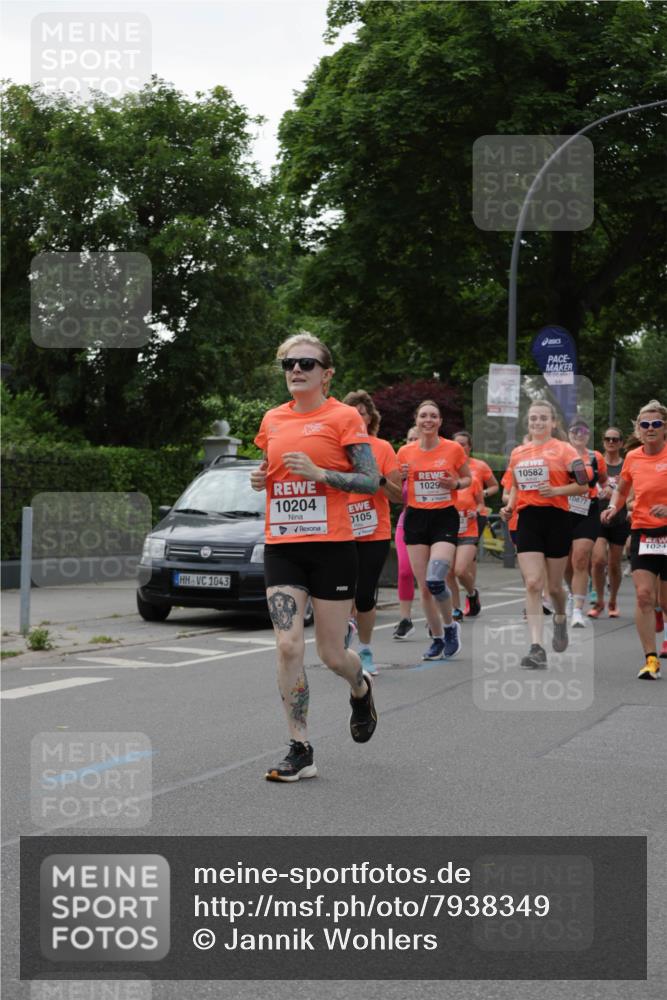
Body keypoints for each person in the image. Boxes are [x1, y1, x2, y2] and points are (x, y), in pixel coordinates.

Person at [251, 332, 380, 781]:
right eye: (288, 364)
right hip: (284, 546)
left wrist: (322, 473)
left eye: (306, 363)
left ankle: (359, 687)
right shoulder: (271, 420)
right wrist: (260, 479)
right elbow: (273, 472)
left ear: (326, 374)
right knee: (287, 645)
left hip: (333, 548)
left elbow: (370, 480)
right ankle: (300, 746)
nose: (296, 370)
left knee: (331, 654)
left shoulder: (343, 417)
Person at [500, 400, 589, 669]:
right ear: (528, 423)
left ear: (553, 423)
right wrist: (509, 507)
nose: (537, 422)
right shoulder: (518, 453)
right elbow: (515, 486)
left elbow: (583, 486)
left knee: (553, 588)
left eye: (543, 418)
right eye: (533, 418)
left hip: (557, 519)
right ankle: (536, 646)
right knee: (533, 583)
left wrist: (557, 491)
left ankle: (560, 617)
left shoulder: (565, 451)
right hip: (528, 519)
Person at [396, 400, 472, 660]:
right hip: (416, 518)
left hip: (444, 518)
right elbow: (397, 487)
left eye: (433, 416)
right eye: (423, 416)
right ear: (416, 420)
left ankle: (451, 627)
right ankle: (438, 638)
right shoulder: (405, 452)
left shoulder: (452, 449)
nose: (428, 420)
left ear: (440, 422)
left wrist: (455, 483)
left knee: (436, 577)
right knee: (424, 587)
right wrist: (400, 476)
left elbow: (467, 479)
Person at [601, 400, 667, 680]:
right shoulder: (633, 458)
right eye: (645, 424)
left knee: (665, 598)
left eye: (656, 424)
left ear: (665, 428)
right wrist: (614, 507)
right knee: (643, 596)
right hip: (642, 531)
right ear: (638, 429)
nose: (650, 429)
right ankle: (651, 659)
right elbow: (622, 488)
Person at [342, 390, 403, 674]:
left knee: (364, 595)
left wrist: (378, 479)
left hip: (374, 532)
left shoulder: (382, 448)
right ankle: (345, 632)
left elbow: (398, 497)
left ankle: (365, 650)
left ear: (370, 418)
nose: (356, 418)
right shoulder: (334, 448)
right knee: (341, 594)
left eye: (361, 413)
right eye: (351, 414)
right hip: (340, 530)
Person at [563, 418, 608, 627]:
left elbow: (604, 481)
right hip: (562, 512)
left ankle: (578, 611)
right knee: (565, 562)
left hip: (587, 510)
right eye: (575, 431)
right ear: (568, 434)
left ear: (588, 435)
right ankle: (573, 595)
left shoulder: (595, 457)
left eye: (583, 432)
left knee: (581, 559)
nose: (579, 434)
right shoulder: (560, 454)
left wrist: (607, 490)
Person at [452, 431, 499, 617]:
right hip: (449, 519)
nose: (460, 447)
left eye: (464, 444)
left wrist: (481, 497)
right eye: (457, 444)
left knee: (466, 561)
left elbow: (494, 486)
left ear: (470, 447)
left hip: (473, 517)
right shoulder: (446, 465)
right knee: (450, 567)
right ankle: (456, 606)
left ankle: (470, 595)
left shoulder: (479, 466)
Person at [589, 427, 630, 618]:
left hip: (620, 519)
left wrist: (622, 501)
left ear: (621, 443)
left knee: (614, 564)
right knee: (598, 561)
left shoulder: (626, 465)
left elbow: (631, 492)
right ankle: (598, 601)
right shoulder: (596, 463)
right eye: (607, 439)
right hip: (597, 518)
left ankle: (612, 600)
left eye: (615, 439)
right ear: (603, 442)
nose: (611, 442)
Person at [393, 425, 420, 640]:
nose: (411, 443)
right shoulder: (400, 464)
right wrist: (399, 479)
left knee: (430, 575)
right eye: (409, 438)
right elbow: (392, 495)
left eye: (416, 439)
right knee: (404, 571)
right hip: (406, 520)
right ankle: (405, 619)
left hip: (433, 523)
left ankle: (437, 618)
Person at [448, 476, 485, 620]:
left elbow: (481, 504)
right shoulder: (443, 480)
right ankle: (455, 609)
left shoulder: (473, 481)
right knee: (448, 573)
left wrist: (475, 512)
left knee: (460, 570)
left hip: (468, 532)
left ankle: (472, 593)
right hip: (447, 532)